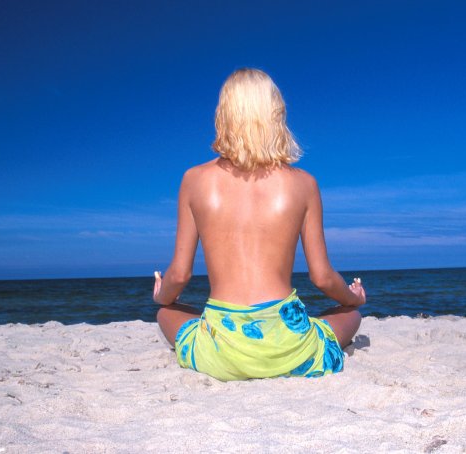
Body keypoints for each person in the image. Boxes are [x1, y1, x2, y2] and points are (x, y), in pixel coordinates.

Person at [153, 68, 366, 381]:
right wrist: (353, 298)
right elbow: (322, 277)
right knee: (351, 315)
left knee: (165, 313)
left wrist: (161, 295)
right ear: (275, 114)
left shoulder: (193, 180)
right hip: (288, 342)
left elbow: (180, 275)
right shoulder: (304, 184)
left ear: (223, 114)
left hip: (222, 352)